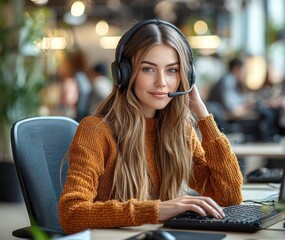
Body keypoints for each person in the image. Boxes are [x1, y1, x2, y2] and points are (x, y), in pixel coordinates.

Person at [58, 19, 243, 234]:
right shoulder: (96, 131)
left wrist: (202, 113)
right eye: (148, 69)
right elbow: (72, 213)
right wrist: (156, 210)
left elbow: (229, 196)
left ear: (186, 77)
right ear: (124, 74)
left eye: (172, 70)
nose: (162, 82)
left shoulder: (178, 131)